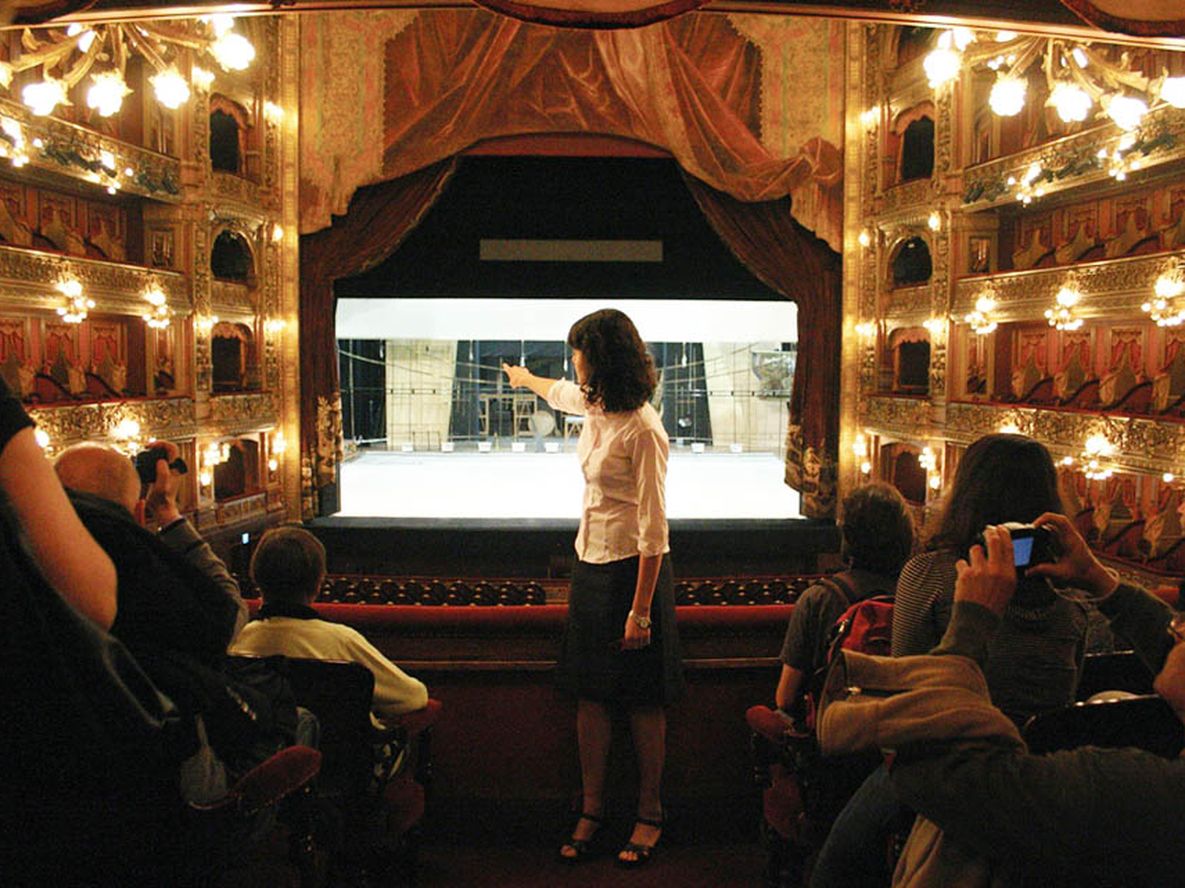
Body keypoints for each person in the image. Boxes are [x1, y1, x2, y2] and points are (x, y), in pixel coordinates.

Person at [818, 520, 1185, 887]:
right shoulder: (1076, 608)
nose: (1176, 627)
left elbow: (929, 765)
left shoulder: (1131, 791)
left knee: (837, 864)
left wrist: (970, 625)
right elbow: (1167, 644)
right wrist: (1098, 579)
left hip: (966, 762)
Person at [812, 433, 1089, 888]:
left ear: (966, 495)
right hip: (1042, 785)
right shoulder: (1074, 605)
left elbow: (906, 689)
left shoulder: (933, 573)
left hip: (945, 771)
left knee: (835, 866)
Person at [502, 307, 683, 868]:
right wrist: (522, 379)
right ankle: (593, 808)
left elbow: (655, 532)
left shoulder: (643, 430)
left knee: (642, 699)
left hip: (636, 576)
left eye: (579, 352)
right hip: (592, 565)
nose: (574, 363)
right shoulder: (597, 404)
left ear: (601, 357)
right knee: (591, 693)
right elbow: (558, 393)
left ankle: (650, 812)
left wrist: (642, 613)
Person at [53, 439, 248, 660]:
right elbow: (227, 619)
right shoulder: (129, 556)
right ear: (132, 501)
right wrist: (167, 511)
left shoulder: (29, 550)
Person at [230, 525, 429, 725]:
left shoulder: (239, 642)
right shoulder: (340, 641)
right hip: (345, 754)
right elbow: (413, 697)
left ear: (257, 580)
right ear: (319, 582)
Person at [775, 481, 914, 716]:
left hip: (834, 737)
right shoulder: (916, 594)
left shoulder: (818, 599)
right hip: (900, 736)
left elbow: (785, 698)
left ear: (847, 537)